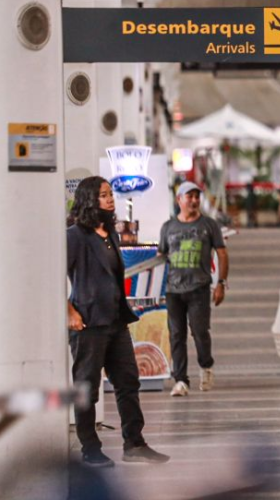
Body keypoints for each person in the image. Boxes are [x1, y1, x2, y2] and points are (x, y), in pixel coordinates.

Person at [66, 177, 170, 468]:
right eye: (103, 195)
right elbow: (53, 274)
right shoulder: (75, 235)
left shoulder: (109, 232)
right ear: (89, 199)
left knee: (127, 382)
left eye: (110, 194)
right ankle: (90, 448)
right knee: (87, 387)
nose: (110, 199)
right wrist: (69, 312)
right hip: (89, 324)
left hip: (115, 320)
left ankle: (134, 443)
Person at [159, 182, 229, 398]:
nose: (194, 200)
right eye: (189, 196)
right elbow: (161, 257)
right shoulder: (168, 227)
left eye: (197, 196)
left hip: (199, 287)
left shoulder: (209, 225)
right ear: (179, 199)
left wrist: (221, 283)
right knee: (176, 335)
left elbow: (222, 253)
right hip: (173, 290)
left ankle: (206, 366)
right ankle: (180, 380)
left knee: (199, 332)